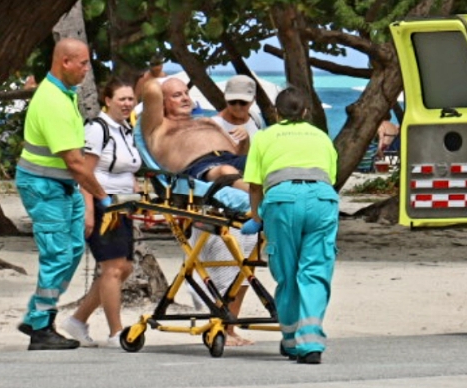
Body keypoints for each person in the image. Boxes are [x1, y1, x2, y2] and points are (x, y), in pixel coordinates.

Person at [15, 38, 111, 351]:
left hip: (61, 185)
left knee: (70, 252)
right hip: (44, 186)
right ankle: (41, 329)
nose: (87, 69)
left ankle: (35, 316)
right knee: (57, 254)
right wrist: (103, 197)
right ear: (65, 62)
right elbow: (74, 162)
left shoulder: (64, 92)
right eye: (82, 63)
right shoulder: (54, 102)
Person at [241, 87, 339, 365]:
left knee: (287, 273)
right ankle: (311, 344)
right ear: (306, 112)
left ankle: (290, 338)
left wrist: (257, 216)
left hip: (282, 201)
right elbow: (328, 176)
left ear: (276, 112)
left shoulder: (263, 137)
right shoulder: (321, 137)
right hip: (321, 200)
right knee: (315, 271)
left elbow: (255, 185)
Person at [60, 78, 141, 348]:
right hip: (102, 203)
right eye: (122, 99)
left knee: (124, 267)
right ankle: (116, 332)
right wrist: (89, 212)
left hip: (123, 205)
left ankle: (78, 320)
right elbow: (85, 172)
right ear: (107, 100)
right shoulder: (97, 129)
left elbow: (129, 168)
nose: (127, 104)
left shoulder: (127, 129)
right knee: (113, 268)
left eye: (131, 99)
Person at [187, 75, 265, 346]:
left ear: (252, 101)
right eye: (233, 102)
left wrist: (248, 143)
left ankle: (230, 327)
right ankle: (217, 324)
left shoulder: (255, 123)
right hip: (222, 201)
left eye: (243, 103)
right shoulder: (211, 125)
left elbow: (257, 161)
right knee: (219, 265)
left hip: (249, 204)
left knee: (244, 270)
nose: (238, 108)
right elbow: (211, 166)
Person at [140, 77, 249, 191]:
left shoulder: (206, 121)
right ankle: (260, 199)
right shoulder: (158, 127)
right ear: (162, 102)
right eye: (177, 95)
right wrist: (164, 79)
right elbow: (151, 88)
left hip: (230, 158)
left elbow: (238, 153)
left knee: (263, 160)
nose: (185, 98)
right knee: (225, 170)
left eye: (186, 93)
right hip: (199, 167)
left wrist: (244, 140)